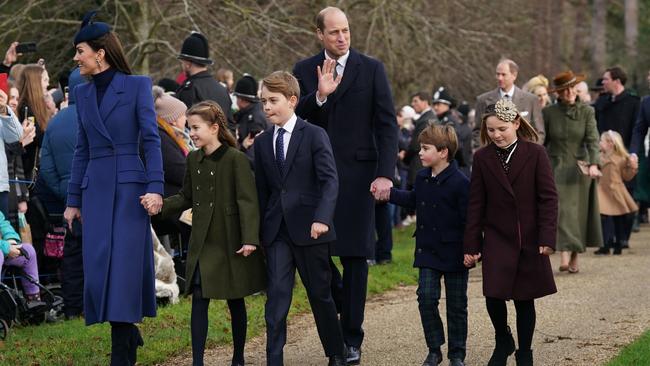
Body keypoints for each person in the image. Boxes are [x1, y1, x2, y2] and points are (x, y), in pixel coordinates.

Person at [292, 7, 398, 363]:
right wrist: (319, 96)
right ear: (319, 34)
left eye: (346, 31)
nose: (342, 37)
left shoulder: (371, 69)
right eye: (334, 32)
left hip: (359, 178)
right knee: (317, 254)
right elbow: (295, 120)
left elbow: (386, 125)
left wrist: (385, 173)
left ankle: (351, 337)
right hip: (315, 179)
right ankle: (341, 306)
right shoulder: (303, 70)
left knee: (355, 257)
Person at [63, 11, 163, 365]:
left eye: (80, 51)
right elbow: (82, 148)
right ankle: (128, 332)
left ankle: (121, 352)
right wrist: (73, 199)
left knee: (122, 271)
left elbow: (151, 141)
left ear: (100, 53)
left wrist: (156, 188)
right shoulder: (81, 92)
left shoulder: (137, 85)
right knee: (100, 270)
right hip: (96, 190)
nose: (76, 58)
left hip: (130, 191)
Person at [156, 101, 266, 366]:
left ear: (214, 128)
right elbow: (186, 196)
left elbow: (247, 201)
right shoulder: (193, 159)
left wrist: (250, 238)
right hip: (203, 241)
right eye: (190, 127)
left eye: (196, 128)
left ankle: (238, 357)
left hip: (230, 241)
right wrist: (159, 205)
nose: (191, 132)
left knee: (235, 299)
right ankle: (197, 361)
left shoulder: (236, 159)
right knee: (199, 299)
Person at [254, 71, 345, 366]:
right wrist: (256, 233)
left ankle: (336, 353)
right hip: (277, 232)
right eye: (263, 101)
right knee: (277, 298)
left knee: (320, 295)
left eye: (272, 100)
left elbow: (330, 181)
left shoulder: (314, 134)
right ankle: (274, 358)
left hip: (311, 229)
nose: (266, 107)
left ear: (292, 100)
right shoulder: (263, 142)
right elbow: (263, 191)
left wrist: (322, 218)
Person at [464, 98, 558, 366]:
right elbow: (475, 203)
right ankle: (502, 338)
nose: (497, 135)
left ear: (516, 123)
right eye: (491, 130)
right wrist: (471, 244)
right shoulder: (482, 157)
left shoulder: (535, 153)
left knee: (523, 298)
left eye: (502, 129)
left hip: (528, 237)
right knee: (493, 294)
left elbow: (548, 198)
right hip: (496, 235)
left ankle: (525, 351)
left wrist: (547, 237)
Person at [389, 124, 469, 366]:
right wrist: (389, 193)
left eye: (425, 149)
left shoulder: (461, 182)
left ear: (443, 152)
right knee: (425, 298)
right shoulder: (422, 177)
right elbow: (414, 199)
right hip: (428, 250)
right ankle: (435, 348)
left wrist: (473, 249)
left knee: (456, 306)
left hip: (455, 252)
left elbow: (470, 220)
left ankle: (457, 354)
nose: (420, 153)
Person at [35, 67, 86, 319]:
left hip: (67, 195)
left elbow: (45, 166)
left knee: (73, 252)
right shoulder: (96, 117)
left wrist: (63, 190)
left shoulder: (55, 122)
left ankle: (74, 306)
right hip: (96, 192)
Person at [543, 71, 603, 272]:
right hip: (556, 167)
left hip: (580, 168)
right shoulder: (549, 113)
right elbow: (542, 142)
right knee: (561, 211)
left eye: (571, 88)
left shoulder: (587, 112)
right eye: (563, 90)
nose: (569, 92)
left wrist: (594, 164)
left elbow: (593, 140)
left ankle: (575, 254)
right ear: (558, 93)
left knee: (578, 214)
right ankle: (564, 254)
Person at [475, 59, 545, 143]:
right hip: (493, 153)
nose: (499, 78)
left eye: (503, 75)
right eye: (498, 74)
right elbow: (478, 132)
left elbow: (538, 133)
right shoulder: (483, 100)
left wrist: (530, 152)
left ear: (514, 75)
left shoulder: (531, 100)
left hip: (524, 153)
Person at [175, 32, 234, 129]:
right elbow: (230, 125)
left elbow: (184, 127)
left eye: (182, 62)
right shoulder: (222, 90)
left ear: (188, 63)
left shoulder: (189, 89)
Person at [596, 131, 638, 255]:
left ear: (610, 143)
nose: (600, 143)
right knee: (602, 219)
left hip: (616, 191)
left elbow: (626, 176)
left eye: (602, 141)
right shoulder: (599, 157)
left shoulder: (621, 159)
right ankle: (605, 244)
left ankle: (619, 242)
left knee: (618, 219)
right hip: (603, 191)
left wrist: (632, 168)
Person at [0, 86, 24, 216]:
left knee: (4, 233)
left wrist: (4, 111)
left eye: (17, 98)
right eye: (12, 97)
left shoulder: (2, 109)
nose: (14, 101)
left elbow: (15, 135)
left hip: (0, 187)